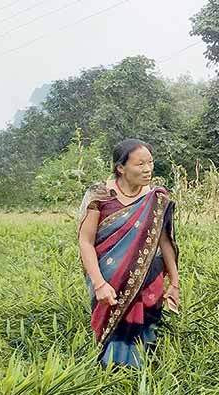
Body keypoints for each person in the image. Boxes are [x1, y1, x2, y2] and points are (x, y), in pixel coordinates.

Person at [77, 138, 181, 367]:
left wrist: (174, 282)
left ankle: (143, 372)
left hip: (148, 275)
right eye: (140, 164)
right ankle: (110, 374)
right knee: (112, 331)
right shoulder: (100, 196)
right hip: (108, 277)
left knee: (145, 330)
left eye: (150, 162)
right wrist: (99, 284)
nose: (148, 169)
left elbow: (164, 242)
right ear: (120, 168)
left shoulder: (157, 198)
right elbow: (86, 242)